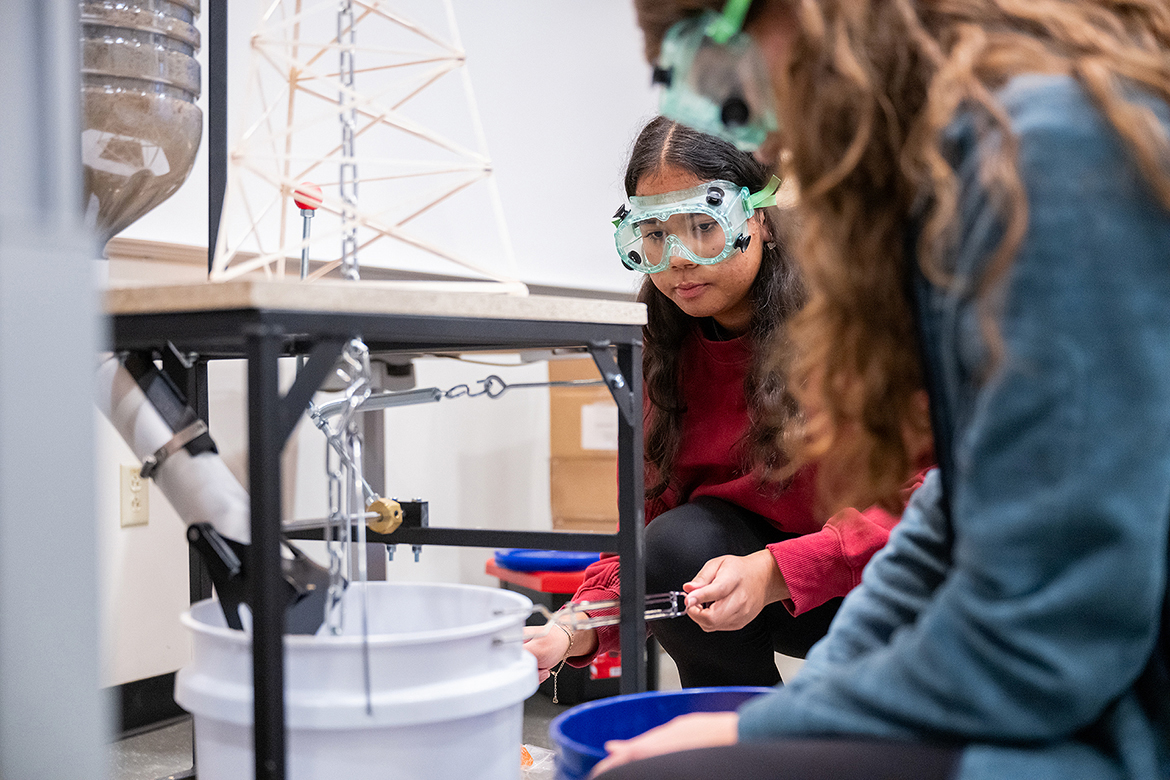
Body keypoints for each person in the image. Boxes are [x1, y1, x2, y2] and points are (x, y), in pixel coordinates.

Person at [589, 1, 1170, 779]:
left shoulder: (1045, 157)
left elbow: (1050, 638)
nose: (761, 137)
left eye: (726, 75)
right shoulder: (965, 167)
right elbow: (951, 514)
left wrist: (778, 729)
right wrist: (778, 720)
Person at [524, 115, 929, 693]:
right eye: (655, 234)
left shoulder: (855, 325)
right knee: (676, 545)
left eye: (702, 226)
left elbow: (931, 497)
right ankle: (735, 735)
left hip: (894, 589)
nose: (679, 258)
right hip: (763, 593)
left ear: (759, 219)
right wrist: (575, 626)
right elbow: (647, 531)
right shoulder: (659, 351)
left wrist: (777, 571)